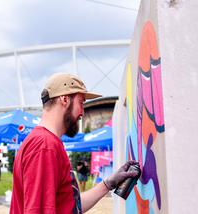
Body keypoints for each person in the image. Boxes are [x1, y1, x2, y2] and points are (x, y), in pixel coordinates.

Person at [10, 72, 139, 213]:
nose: (82, 112)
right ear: (64, 100)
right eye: (81, 102)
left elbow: (70, 206)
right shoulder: (45, 146)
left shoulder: (46, 143)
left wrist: (109, 184)